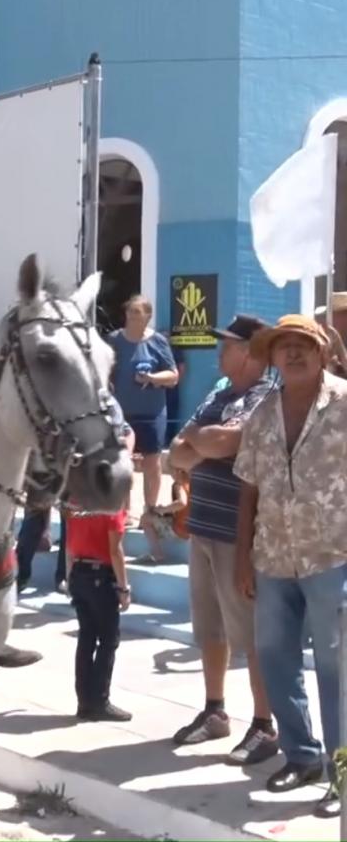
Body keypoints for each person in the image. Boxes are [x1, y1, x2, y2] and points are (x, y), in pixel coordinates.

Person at [235, 315, 347, 818]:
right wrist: (243, 556)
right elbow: (248, 490)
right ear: (273, 357)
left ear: (323, 353)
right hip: (273, 558)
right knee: (275, 656)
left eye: (304, 345)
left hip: (333, 556)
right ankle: (301, 756)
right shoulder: (261, 414)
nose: (294, 354)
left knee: (336, 669)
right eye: (284, 347)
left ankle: (342, 777)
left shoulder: (344, 404)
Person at [168, 315, 277, 764]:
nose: (220, 350)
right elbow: (177, 451)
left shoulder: (266, 395)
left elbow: (228, 444)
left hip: (239, 535)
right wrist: (201, 441)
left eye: (228, 344)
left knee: (251, 635)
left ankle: (264, 725)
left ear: (250, 351)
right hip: (204, 530)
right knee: (209, 629)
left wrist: (201, 442)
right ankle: (215, 711)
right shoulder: (218, 393)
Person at [109, 295, 178, 511]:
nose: (132, 316)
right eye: (130, 311)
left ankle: (150, 510)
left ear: (148, 316)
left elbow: (173, 376)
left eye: (137, 312)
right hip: (122, 414)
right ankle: (124, 512)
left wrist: (152, 378)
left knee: (151, 463)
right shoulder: (113, 340)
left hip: (152, 413)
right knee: (123, 464)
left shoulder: (158, 342)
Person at [67, 498, 132, 722]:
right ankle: (100, 700)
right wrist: (124, 588)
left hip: (78, 571)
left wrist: (69, 576)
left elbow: (69, 544)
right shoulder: (111, 506)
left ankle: (84, 701)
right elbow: (115, 551)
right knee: (108, 639)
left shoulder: (77, 503)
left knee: (86, 637)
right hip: (100, 576)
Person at [135, 474, 189, 565]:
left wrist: (162, 509)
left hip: (181, 529)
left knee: (145, 518)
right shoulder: (195, 483)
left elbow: (182, 503)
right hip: (195, 529)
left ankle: (157, 554)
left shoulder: (179, 484)